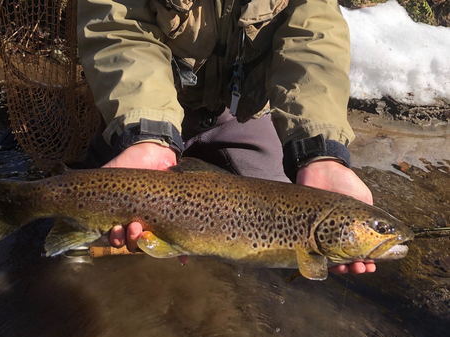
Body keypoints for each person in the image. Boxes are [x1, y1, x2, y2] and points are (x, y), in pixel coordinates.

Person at [77, 0, 375, 275]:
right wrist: (144, 133)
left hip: (241, 115)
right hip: (145, 106)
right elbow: (119, 27)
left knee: (286, 220)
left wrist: (319, 151)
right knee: (90, 214)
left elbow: (313, 38)